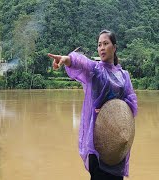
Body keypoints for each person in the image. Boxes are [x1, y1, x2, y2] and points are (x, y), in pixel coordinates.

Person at [48, 30, 138, 180]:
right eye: (99, 45)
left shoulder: (124, 76)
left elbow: (131, 102)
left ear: (114, 47)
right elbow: (82, 63)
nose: (102, 47)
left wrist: (116, 111)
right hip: (97, 142)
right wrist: (67, 59)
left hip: (117, 142)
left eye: (106, 43)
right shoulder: (96, 71)